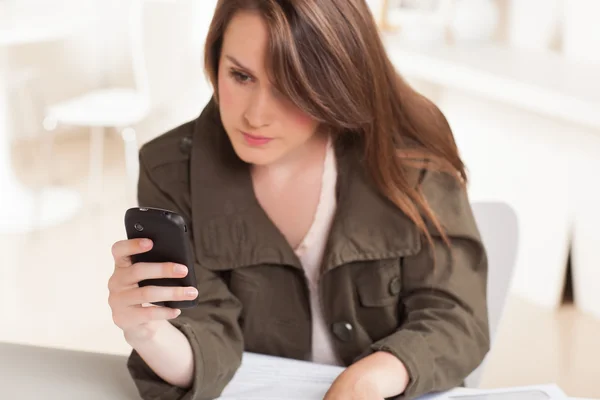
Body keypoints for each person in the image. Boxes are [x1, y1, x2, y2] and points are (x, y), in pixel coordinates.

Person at [107, 1, 490, 399]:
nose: (256, 115)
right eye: (240, 76)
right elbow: (206, 335)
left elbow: (456, 317)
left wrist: (367, 381)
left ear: (337, 81)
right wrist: (148, 331)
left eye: (290, 87)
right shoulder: (169, 171)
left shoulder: (409, 156)